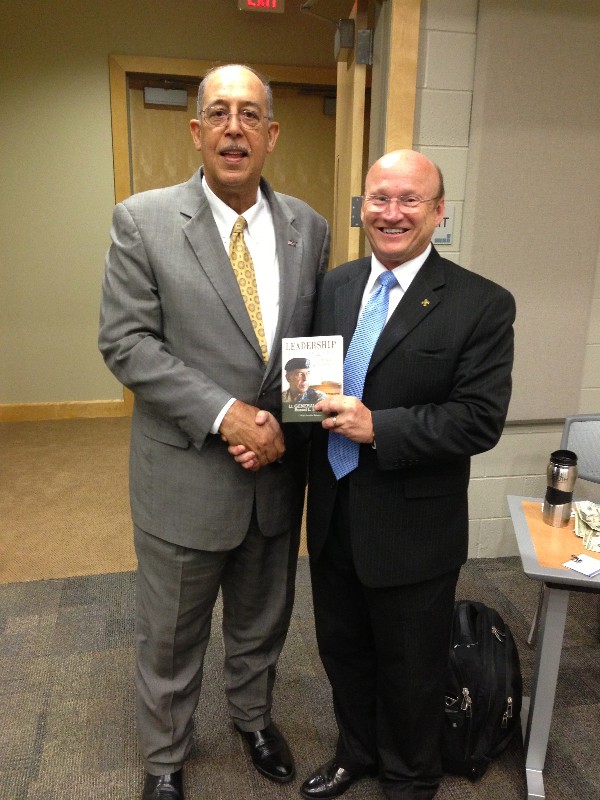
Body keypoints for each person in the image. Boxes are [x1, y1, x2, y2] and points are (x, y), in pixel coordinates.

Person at [98, 63, 329, 800]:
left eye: (250, 114)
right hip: (185, 476)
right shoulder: (144, 220)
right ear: (196, 132)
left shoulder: (309, 227)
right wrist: (226, 414)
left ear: (271, 133)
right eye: (219, 113)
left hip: (273, 474)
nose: (235, 127)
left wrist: (287, 427)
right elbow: (127, 343)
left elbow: (308, 348)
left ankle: (253, 719)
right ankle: (164, 758)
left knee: (263, 619)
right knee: (170, 633)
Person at [300, 150, 515, 800]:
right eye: (379, 198)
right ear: (362, 206)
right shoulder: (335, 286)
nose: (391, 213)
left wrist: (380, 428)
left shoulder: (481, 304)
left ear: (438, 211)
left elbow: (478, 420)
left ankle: (409, 778)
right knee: (343, 651)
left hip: (413, 532)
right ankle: (355, 752)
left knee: (411, 672)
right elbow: (309, 388)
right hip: (334, 514)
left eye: (410, 200)